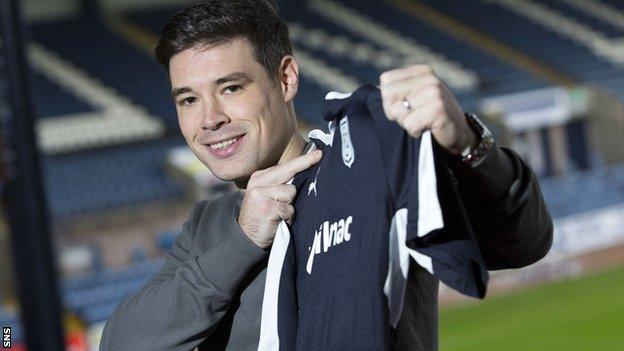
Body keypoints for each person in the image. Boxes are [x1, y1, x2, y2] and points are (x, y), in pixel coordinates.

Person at [100, 1, 553, 350]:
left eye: (231, 88)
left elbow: (524, 241)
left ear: (286, 78)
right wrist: (244, 238)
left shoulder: (366, 170)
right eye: (188, 100)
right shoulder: (211, 225)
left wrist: (469, 147)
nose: (210, 118)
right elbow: (123, 342)